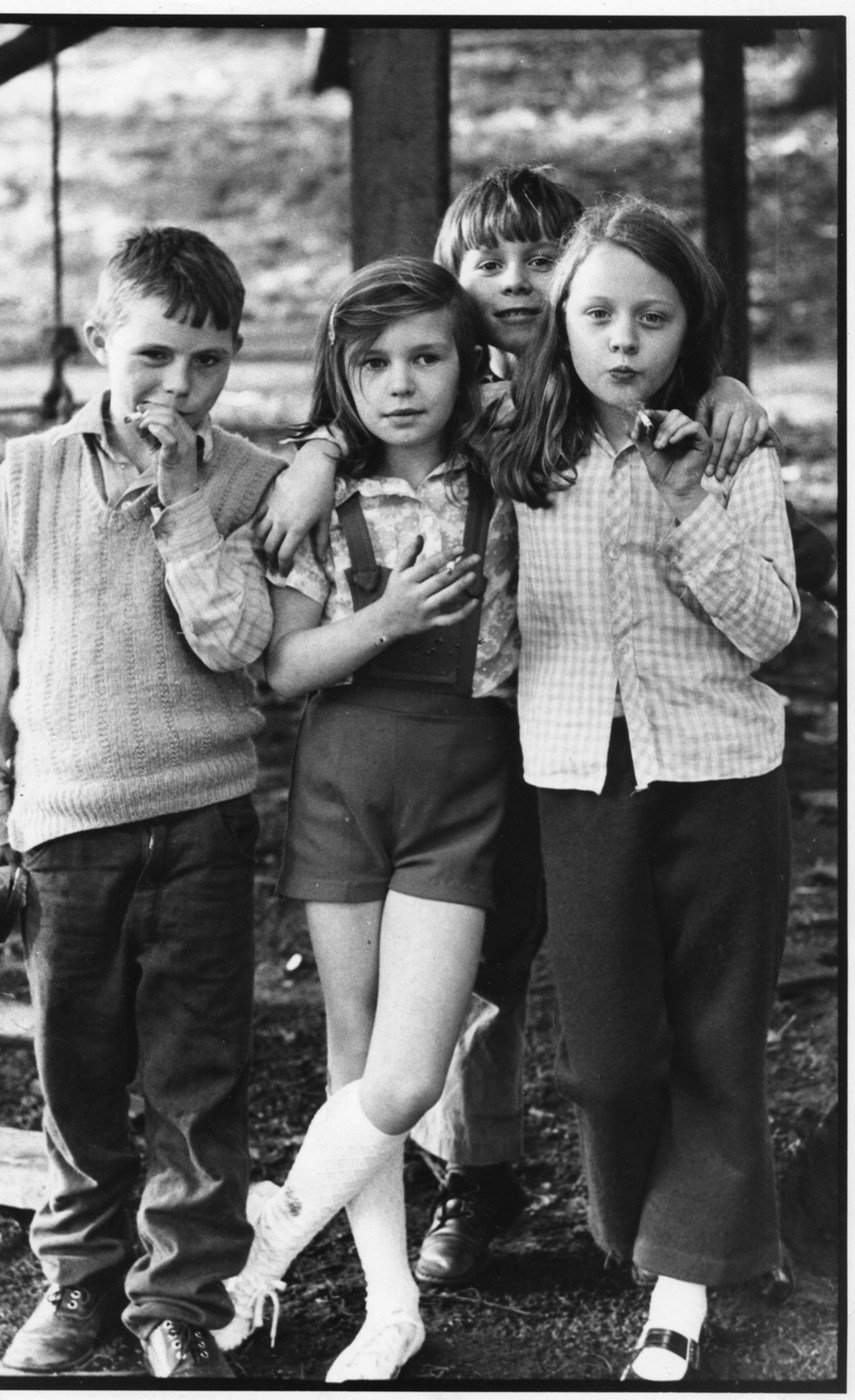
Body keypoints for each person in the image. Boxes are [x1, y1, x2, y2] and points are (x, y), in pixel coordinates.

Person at [253, 165, 831, 1291]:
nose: (514, 281)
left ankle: (680, 1242)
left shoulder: (669, 411)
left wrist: (724, 407)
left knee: (629, 991)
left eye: (539, 259)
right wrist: (316, 451)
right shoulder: (475, 405)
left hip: (647, 739)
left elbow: (764, 590)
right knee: (497, 975)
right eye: (489, 262)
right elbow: (371, 406)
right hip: (490, 741)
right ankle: (476, 1173)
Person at [0, 226, 286, 1381]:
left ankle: (179, 1297)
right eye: (152, 356)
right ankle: (79, 1279)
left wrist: (185, 503)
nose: (177, 387)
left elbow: (239, 639)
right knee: (77, 1070)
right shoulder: (32, 473)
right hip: (66, 832)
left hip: (202, 816)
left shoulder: (247, 478)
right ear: (99, 341)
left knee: (199, 1071)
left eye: (207, 362)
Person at [489, 194, 799, 1383]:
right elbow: (378, 396)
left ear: (690, 326)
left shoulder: (727, 446)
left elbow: (769, 626)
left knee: (718, 1032)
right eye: (599, 312)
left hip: (722, 763)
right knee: (611, 1052)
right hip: (575, 767)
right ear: (557, 317)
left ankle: (685, 1277)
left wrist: (688, 510)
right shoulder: (516, 446)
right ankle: (647, 1228)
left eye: (653, 317)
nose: (624, 340)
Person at [212, 257, 522, 1381]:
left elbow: (555, 392)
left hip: (462, 787)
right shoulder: (324, 503)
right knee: (354, 1055)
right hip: (344, 781)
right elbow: (286, 668)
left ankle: (269, 1242)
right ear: (339, 377)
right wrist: (386, 614)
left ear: (466, 365)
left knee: (402, 1078)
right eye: (372, 364)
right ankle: (389, 1304)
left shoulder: (506, 475)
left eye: (426, 358)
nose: (400, 384)